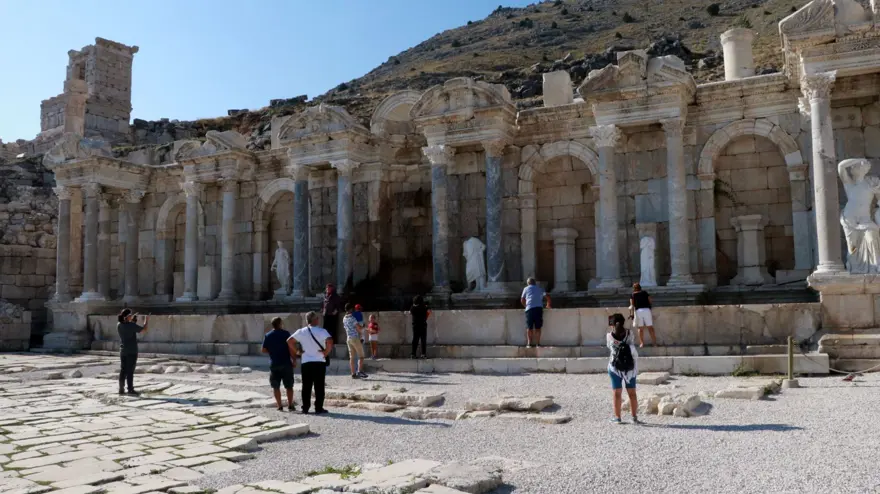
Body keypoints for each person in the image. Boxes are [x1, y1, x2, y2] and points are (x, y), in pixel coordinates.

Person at [288, 312, 333, 414]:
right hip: (319, 361)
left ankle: (305, 408)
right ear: (315, 320)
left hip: (306, 361)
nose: (318, 320)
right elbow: (330, 341)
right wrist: (326, 352)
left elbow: (289, 341)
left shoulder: (301, 331)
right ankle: (318, 407)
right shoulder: (322, 331)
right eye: (317, 318)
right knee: (319, 386)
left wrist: (297, 352)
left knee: (306, 386)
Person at [607, 313, 639, 424]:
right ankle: (634, 417)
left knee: (617, 393)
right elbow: (632, 344)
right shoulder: (630, 333)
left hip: (615, 367)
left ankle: (617, 417)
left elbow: (610, 347)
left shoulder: (609, 336)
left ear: (612, 325)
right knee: (632, 393)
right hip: (630, 367)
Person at [261, 317, 295, 411]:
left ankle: (279, 406)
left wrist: (272, 351)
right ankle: (290, 404)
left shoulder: (268, 335)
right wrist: (294, 359)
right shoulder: (286, 334)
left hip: (274, 363)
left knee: (276, 386)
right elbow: (291, 348)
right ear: (280, 324)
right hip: (286, 362)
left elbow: (263, 350)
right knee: (289, 386)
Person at [117, 308, 149, 396]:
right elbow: (144, 330)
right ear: (127, 317)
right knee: (130, 371)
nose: (131, 316)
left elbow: (128, 327)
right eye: (130, 315)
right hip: (132, 351)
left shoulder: (119, 325)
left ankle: (121, 389)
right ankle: (130, 389)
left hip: (123, 350)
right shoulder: (131, 325)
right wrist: (146, 320)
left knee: (123, 370)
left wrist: (133, 321)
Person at [520, 278, 551, 348]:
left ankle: (529, 343)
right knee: (538, 327)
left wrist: (526, 306)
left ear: (528, 283)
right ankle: (538, 344)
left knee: (529, 327)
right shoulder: (540, 289)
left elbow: (522, 299)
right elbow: (547, 296)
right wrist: (548, 304)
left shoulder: (526, 289)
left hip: (529, 309)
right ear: (535, 283)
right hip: (538, 308)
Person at [343, 304, 368, 379]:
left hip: (348, 338)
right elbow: (359, 328)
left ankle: (353, 373)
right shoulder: (352, 318)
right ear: (351, 309)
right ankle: (360, 371)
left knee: (352, 357)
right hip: (355, 338)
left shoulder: (344, 318)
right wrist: (363, 326)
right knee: (361, 356)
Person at [629, 283, 655, 348]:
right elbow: (650, 301)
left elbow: (632, 305)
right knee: (650, 327)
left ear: (634, 288)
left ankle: (642, 343)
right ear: (640, 287)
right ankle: (654, 343)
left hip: (638, 311)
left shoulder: (633, 294)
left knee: (640, 328)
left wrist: (632, 314)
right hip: (646, 310)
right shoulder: (645, 293)